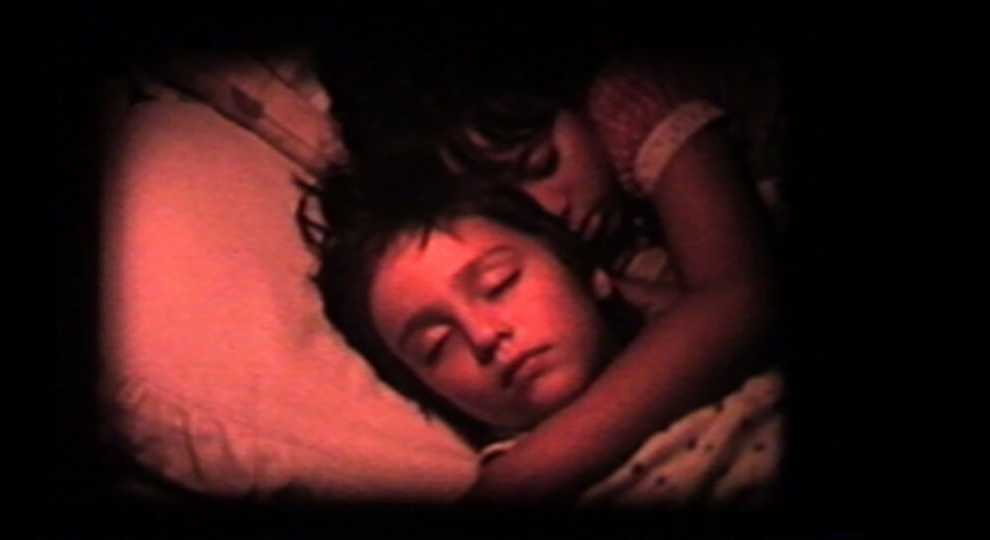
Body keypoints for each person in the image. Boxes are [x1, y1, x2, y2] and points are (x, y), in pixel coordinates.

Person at [309, 39, 783, 501]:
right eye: (435, 345)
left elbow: (738, 296)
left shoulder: (629, 101)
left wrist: (523, 476)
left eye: (542, 164)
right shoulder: (576, 257)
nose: (552, 207)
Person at [308, 181, 782, 506]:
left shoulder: (708, 328)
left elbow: (742, 293)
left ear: (591, 274)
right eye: (435, 345)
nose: (484, 334)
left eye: (500, 282)